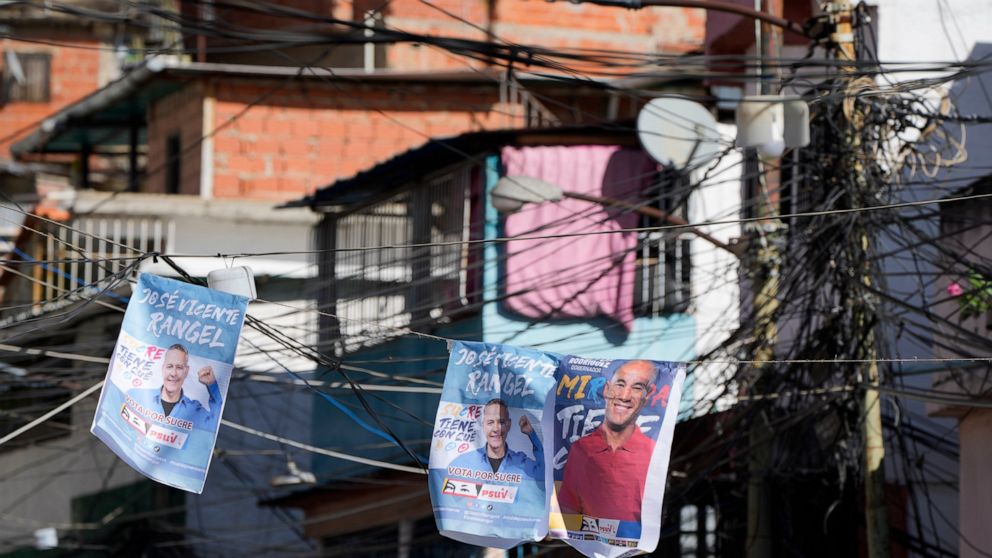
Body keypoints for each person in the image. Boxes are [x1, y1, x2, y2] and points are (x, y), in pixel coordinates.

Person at [557, 360, 658, 523]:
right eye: (620, 384)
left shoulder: (653, 453)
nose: (624, 396)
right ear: (606, 389)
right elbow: (568, 514)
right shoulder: (580, 449)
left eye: (637, 387)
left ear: (647, 396)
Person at [127, 343, 223, 432]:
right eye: (169, 366)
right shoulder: (136, 395)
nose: (173, 373)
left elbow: (214, 425)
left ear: (186, 371)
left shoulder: (194, 410)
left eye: (179, 367)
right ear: (163, 368)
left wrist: (212, 385)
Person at [450, 398, 544, 481]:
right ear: (483, 425)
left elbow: (544, 473)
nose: (496, 429)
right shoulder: (465, 461)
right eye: (490, 422)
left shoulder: (521, 462)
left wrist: (531, 434)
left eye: (501, 422)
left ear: (509, 424)